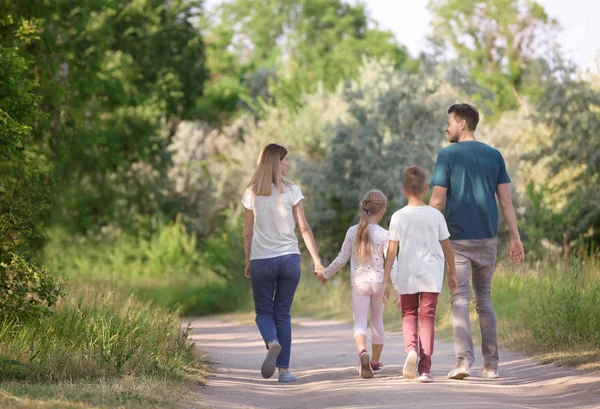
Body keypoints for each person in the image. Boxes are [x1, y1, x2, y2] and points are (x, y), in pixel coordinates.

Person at [428, 104, 525, 380]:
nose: (446, 127)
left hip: (456, 240)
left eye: (449, 122)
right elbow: (505, 200)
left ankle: (463, 363)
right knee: (484, 300)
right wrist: (515, 237)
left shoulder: (447, 156)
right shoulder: (494, 155)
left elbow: (436, 200)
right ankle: (491, 366)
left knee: (459, 300)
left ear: (461, 123)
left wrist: (429, 235)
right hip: (487, 239)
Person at [242, 143, 324, 383]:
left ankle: (272, 341)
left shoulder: (251, 192)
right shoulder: (291, 190)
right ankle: (284, 371)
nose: (288, 164)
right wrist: (317, 261)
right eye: (286, 160)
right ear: (276, 163)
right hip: (289, 259)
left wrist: (248, 260)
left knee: (263, 312)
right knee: (283, 314)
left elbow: (247, 232)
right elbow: (304, 228)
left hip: (261, 260)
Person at [382, 166, 458, 383]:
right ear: (426, 189)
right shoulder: (436, 216)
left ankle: (411, 351)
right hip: (430, 275)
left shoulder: (398, 216)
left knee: (408, 314)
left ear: (404, 190)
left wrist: (387, 279)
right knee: (427, 319)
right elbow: (448, 248)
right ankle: (424, 370)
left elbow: (391, 251)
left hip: (407, 274)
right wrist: (453, 273)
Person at [316, 190, 396, 379]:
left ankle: (363, 353)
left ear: (364, 208)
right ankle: (375, 362)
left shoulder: (353, 231)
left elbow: (341, 259)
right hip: (378, 283)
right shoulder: (385, 234)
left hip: (360, 284)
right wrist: (398, 288)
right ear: (382, 211)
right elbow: (392, 263)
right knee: (377, 322)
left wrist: (325, 274)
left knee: (360, 322)